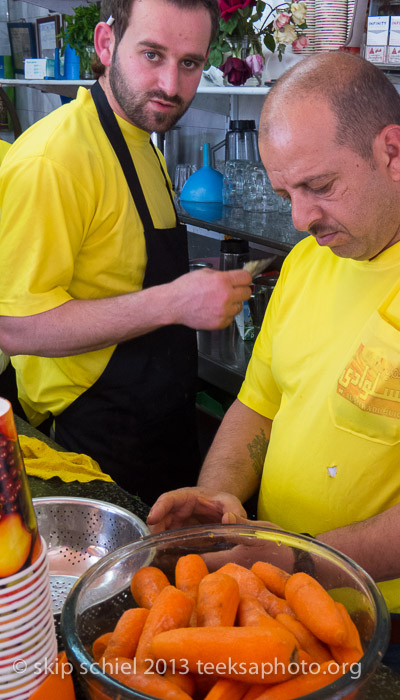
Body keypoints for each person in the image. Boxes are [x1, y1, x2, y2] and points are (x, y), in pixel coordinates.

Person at [147, 52, 400, 698]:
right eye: (284, 193)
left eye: (319, 187)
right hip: (276, 609)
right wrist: (219, 506)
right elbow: (254, 408)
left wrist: (301, 558)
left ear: (391, 152)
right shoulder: (308, 262)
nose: (299, 218)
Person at [0, 0, 252, 504]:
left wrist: (193, 286)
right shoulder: (55, 160)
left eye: (190, 63)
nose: (171, 86)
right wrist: (175, 302)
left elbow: (120, 265)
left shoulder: (142, 137)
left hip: (156, 423)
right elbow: (12, 324)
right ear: (105, 44)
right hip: (86, 436)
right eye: (152, 55)